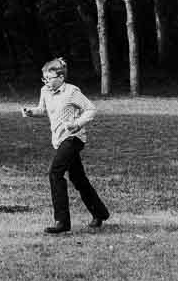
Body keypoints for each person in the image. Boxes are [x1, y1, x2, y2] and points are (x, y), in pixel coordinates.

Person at [20, 57, 111, 234]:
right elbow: (43, 110)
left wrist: (77, 123)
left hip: (73, 138)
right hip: (59, 140)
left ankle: (61, 221)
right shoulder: (45, 91)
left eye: (50, 78)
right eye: (44, 78)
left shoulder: (72, 92)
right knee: (78, 179)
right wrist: (31, 112)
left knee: (55, 173)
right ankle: (100, 213)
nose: (46, 82)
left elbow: (91, 109)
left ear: (61, 77)